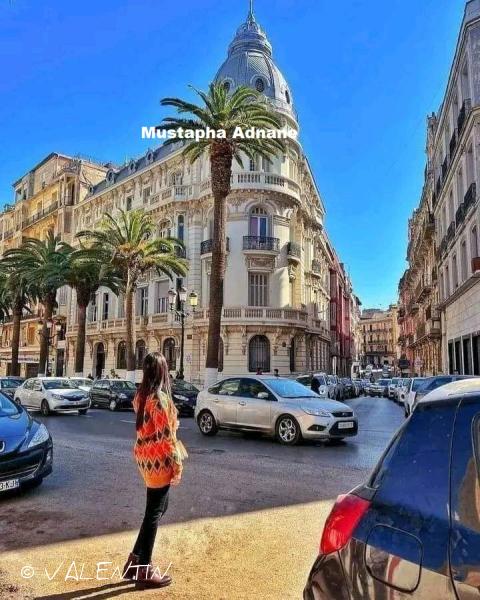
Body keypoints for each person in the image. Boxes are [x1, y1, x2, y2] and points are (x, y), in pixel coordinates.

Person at [123, 352, 186, 590]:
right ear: (162, 371)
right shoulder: (159, 399)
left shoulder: (141, 395)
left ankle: (135, 561)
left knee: (158, 508)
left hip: (145, 457)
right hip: (158, 460)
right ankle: (144, 568)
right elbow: (166, 437)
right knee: (154, 512)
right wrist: (177, 464)